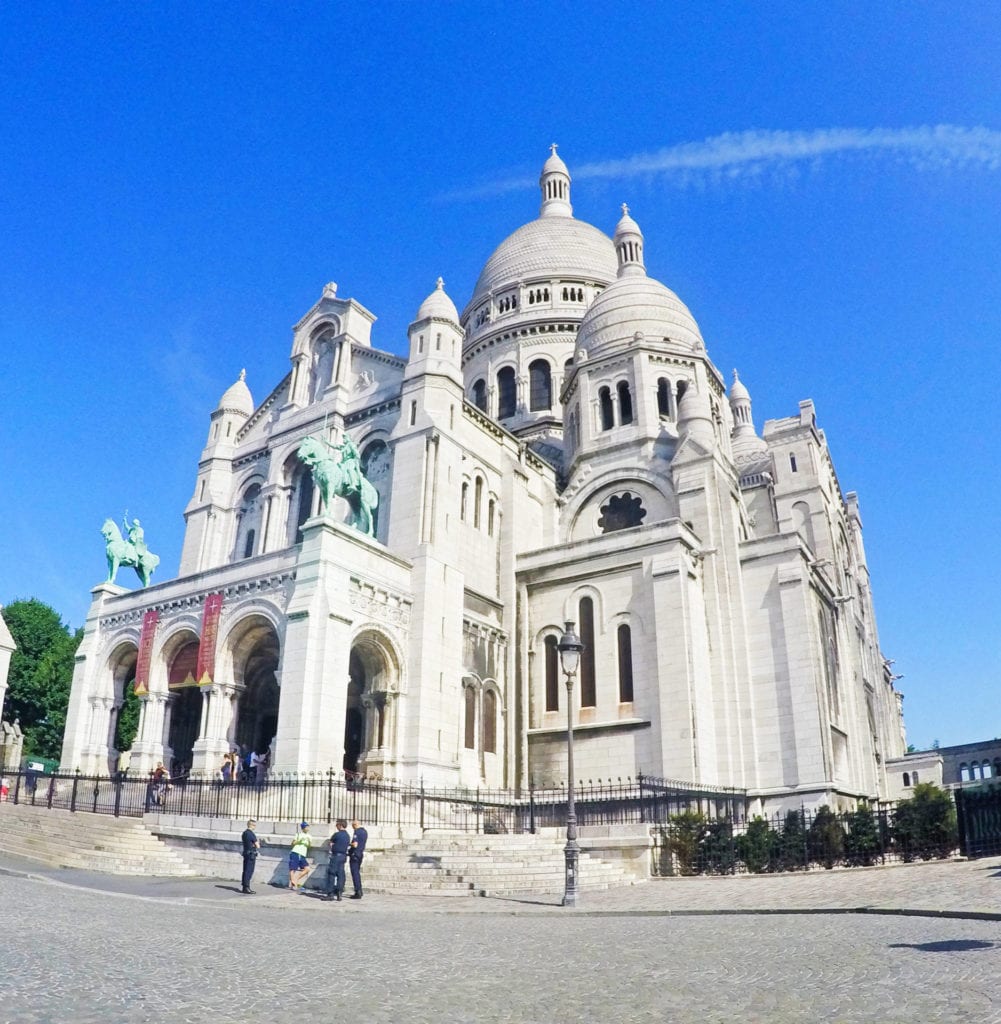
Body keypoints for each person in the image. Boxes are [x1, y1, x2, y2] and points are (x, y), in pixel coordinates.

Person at [324, 819, 351, 902]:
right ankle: (339, 893)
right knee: (341, 875)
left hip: (336, 856)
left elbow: (331, 843)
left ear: (340, 825)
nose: (336, 826)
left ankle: (330, 894)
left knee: (331, 874)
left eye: (337, 825)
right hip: (343, 856)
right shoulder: (347, 835)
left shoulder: (337, 834)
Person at [288, 822, 312, 890]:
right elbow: (293, 843)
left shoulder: (309, 836)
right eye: (306, 827)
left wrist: (309, 842)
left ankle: (295, 879)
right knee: (292, 868)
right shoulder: (298, 834)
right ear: (303, 828)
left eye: (308, 827)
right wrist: (299, 841)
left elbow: (309, 846)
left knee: (307, 868)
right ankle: (293, 883)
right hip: (295, 852)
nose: (307, 828)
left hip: (303, 854)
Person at [348, 818, 368, 899]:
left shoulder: (357, 832)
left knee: (355, 873)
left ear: (355, 825)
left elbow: (355, 844)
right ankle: (360, 890)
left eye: (353, 826)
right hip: (360, 854)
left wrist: (349, 843)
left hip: (355, 854)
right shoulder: (364, 832)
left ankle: (358, 891)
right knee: (357, 873)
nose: (352, 827)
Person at [240, 819, 260, 894]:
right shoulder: (251, 834)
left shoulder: (244, 833)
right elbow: (258, 845)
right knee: (249, 870)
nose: (255, 827)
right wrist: (256, 843)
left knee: (245, 870)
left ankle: (244, 886)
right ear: (252, 825)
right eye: (254, 825)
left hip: (246, 853)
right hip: (251, 854)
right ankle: (246, 887)